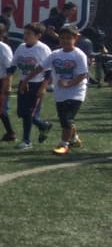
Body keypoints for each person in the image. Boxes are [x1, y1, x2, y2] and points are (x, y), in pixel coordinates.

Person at [42, 24, 89, 156]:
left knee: (66, 119)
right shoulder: (55, 54)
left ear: (76, 38)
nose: (65, 41)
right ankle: (74, 139)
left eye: (69, 38)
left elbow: (82, 75)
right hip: (60, 92)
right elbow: (41, 67)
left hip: (76, 91)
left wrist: (68, 84)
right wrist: (27, 79)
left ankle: (64, 145)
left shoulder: (79, 55)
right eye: (62, 38)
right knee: (65, 118)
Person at [12, 23, 52, 150]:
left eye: (29, 34)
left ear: (38, 36)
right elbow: (14, 64)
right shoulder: (21, 47)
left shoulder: (43, 49)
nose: (25, 36)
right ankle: (43, 126)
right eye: (25, 33)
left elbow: (48, 71)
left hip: (36, 84)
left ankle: (27, 140)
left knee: (30, 113)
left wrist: (43, 87)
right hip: (23, 83)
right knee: (22, 113)